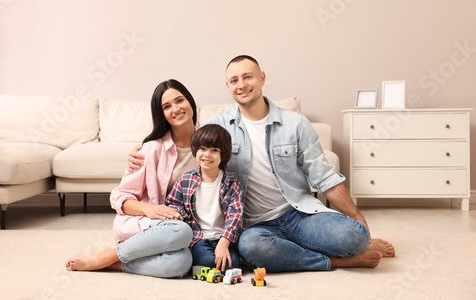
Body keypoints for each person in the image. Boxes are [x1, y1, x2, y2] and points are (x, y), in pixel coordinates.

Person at [128, 55, 395, 272]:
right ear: (228, 87)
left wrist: (358, 220)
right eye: (234, 80)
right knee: (252, 249)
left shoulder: (295, 123)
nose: (241, 84)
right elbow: (190, 141)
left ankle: (311, 248)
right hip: (254, 226)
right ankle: (336, 261)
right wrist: (144, 149)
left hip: (298, 214)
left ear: (262, 78)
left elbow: (324, 177)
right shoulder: (220, 126)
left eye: (247, 77)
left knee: (355, 237)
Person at [65, 79, 200, 278]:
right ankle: (107, 256)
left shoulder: (210, 144)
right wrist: (152, 210)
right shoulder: (151, 149)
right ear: (161, 114)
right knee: (181, 231)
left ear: (190, 102)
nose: (176, 109)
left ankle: (114, 263)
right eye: (167, 106)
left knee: (181, 264)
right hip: (149, 224)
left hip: (186, 227)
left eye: (180, 100)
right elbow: (119, 197)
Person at [166, 124, 244, 272]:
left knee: (231, 265)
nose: (207, 155)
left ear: (223, 154)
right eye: (202, 149)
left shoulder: (232, 184)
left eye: (214, 150)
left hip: (224, 239)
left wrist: (224, 242)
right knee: (208, 262)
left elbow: (236, 216)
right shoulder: (185, 180)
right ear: (195, 151)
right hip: (198, 239)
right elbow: (172, 203)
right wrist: (178, 215)